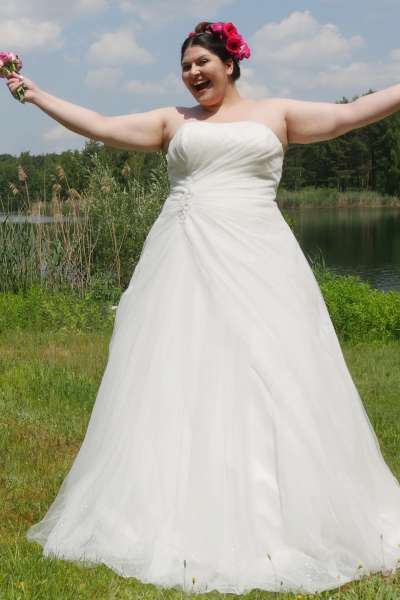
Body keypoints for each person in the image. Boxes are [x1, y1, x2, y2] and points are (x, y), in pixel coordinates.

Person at [5, 20, 400, 596]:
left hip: (261, 262)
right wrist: (37, 94)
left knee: (279, 374)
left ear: (230, 64)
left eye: (202, 63)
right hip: (185, 260)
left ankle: (294, 510)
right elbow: (102, 126)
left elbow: (352, 115)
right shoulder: (174, 122)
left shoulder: (278, 114)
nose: (193, 73)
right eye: (186, 67)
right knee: (183, 374)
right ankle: (176, 509)